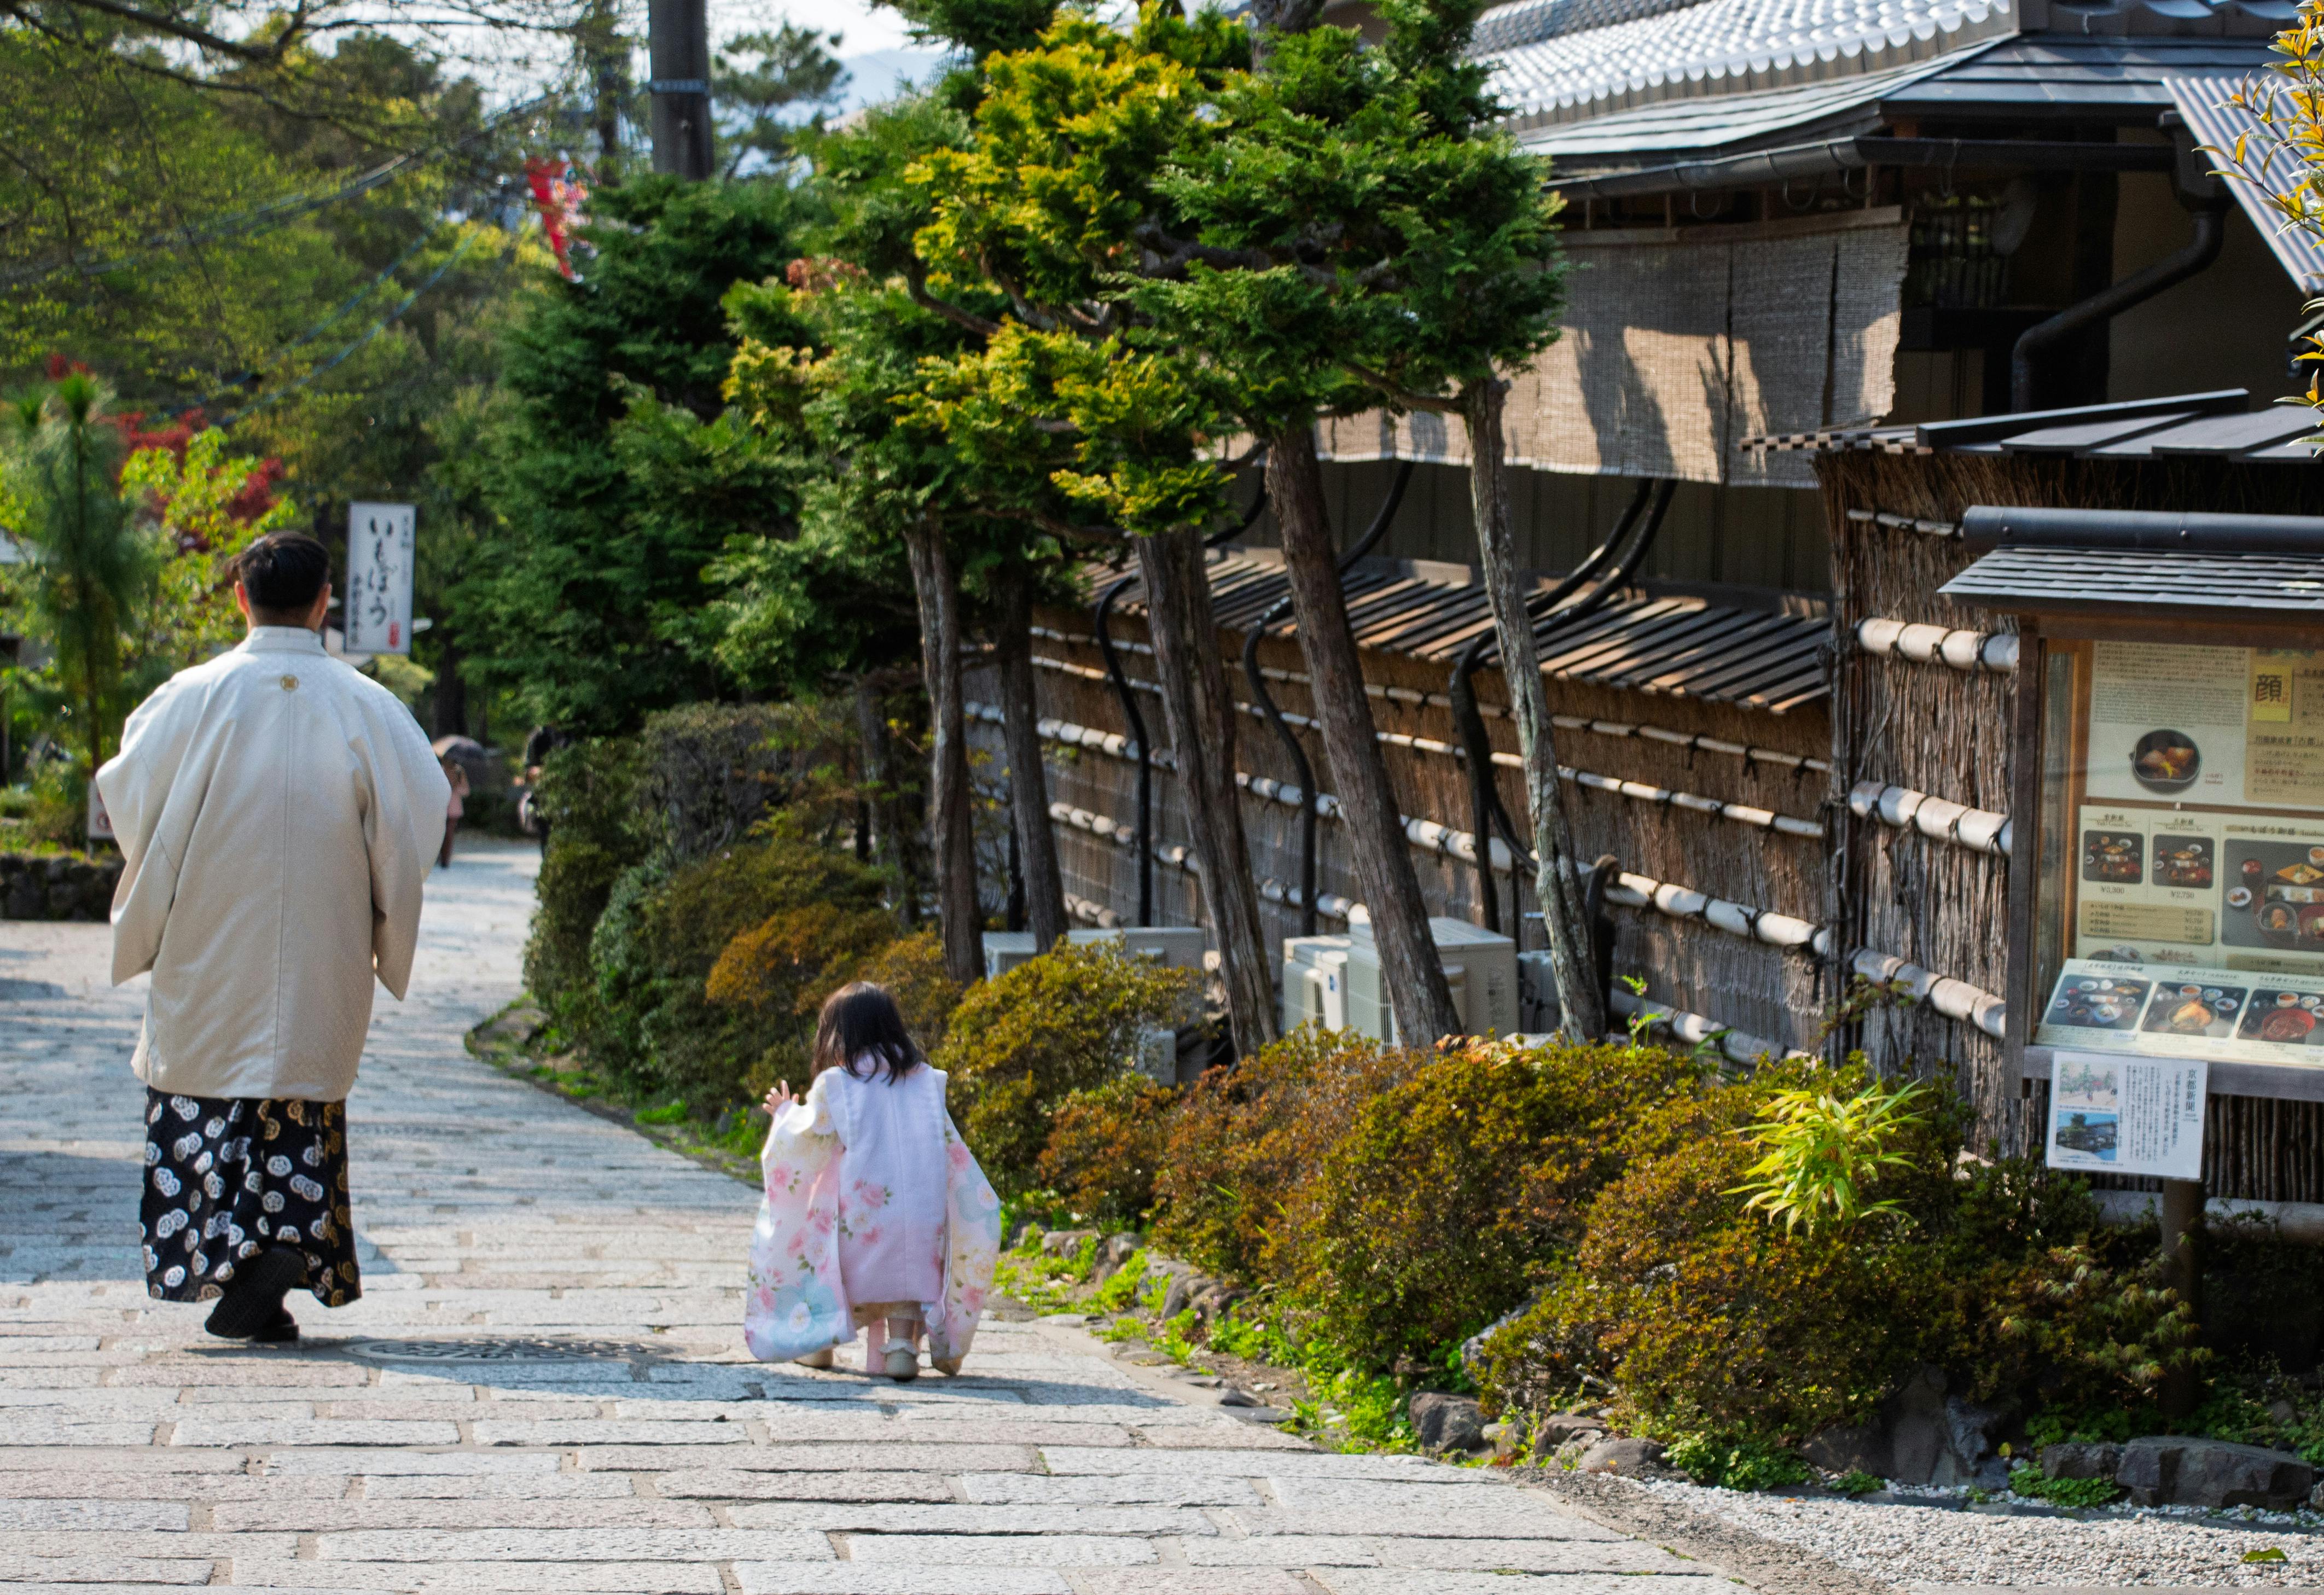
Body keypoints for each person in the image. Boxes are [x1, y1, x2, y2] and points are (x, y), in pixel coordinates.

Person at [95, 532, 451, 1344]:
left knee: (203, 1097)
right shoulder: (369, 707)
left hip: (208, 938)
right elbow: (418, 817)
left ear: (239, 597)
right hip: (322, 945)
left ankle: (229, 1254)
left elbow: (127, 800)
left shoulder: (187, 697)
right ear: (326, 601)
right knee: (296, 1101)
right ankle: (284, 1243)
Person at [744, 983, 1000, 1381]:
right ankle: (901, 1348)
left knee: (825, 1262)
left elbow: (809, 1137)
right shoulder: (927, 1083)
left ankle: (819, 1342)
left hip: (862, 1216)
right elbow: (947, 1145)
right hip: (922, 1215)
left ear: (840, 1035)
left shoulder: (839, 1084)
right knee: (906, 1280)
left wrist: (785, 1114)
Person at [437, 749, 469, 867]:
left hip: (454, 806)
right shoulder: (439, 770)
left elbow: (466, 791)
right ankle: (439, 856)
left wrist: (456, 787)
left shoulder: (459, 772)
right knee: (440, 833)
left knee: (449, 833)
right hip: (441, 806)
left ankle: (446, 859)